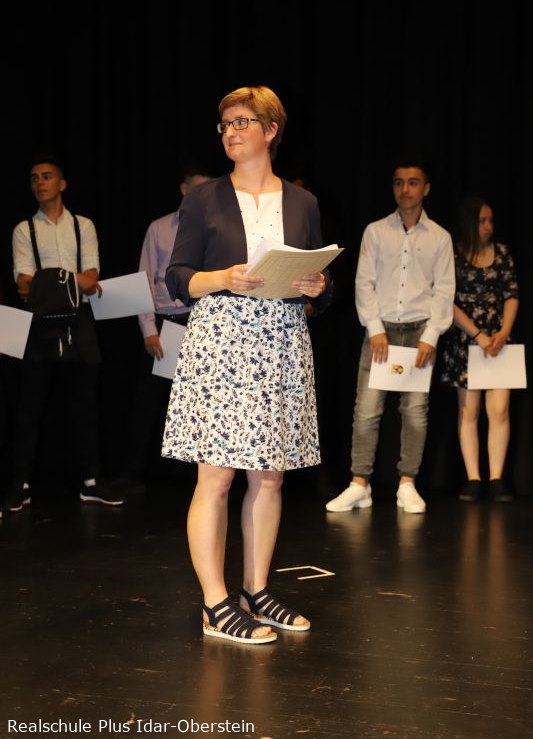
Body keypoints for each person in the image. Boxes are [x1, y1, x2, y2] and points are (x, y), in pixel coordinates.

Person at [162, 85, 332, 644]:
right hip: (223, 342)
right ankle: (215, 604)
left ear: (271, 130)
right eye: (226, 124)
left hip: (282, 342)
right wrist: (223, 278)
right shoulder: (204, 198)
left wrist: (318, 286)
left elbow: (320, 283)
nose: (231, 132)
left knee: (270, 474)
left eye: (243, 122)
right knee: (215, 476)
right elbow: (177, 277)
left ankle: (254, 592)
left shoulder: (302, 203)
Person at [326, 155, 455, 514]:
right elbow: (364, 282)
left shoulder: (440, 237)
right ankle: (359, 484)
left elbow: (444, 289)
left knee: (414, 411)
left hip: (418, 332)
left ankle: (407, 483)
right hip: (380, 333)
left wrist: (431, 335)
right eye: (399, 182)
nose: (405, 189)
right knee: (367, 410)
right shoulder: (376, 231)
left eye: (413, 182)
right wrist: (375, 329)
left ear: (426, 189)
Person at [1, 153, 124, 513]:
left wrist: (50, 281)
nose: (39, 182)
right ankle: (20, 483)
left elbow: (92, 279)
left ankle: (91, 482)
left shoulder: (83, 226)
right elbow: (24, 284)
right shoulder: (24, 230)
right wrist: (70, 280)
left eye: (46, 176)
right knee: (29, 407)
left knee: (85, 405)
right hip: (37, 322)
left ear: (62, 183)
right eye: (34, 178)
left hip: (78, 321)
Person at [115, 167, 214, 493]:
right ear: (184, 189)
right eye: (198, 189)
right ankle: (132, 473)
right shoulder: (159, 228)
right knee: (147, 402)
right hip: (165, 321)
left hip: (200, 321)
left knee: (200, 404)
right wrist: (148, 329)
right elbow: (144, 278)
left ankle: (198, 479)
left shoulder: (214, 229)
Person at [441, 195, 519, 503]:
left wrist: (503, 332)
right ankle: (473, 478)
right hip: (467, 340)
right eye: (482, 220)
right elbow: (446, 300)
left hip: (498, 341)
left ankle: (496, 478)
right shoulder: (454, 255)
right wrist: (477, 334)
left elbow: (511, 294)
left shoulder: (502, 253)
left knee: (499, 410)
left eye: (490, 220)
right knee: (469, 410)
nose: (488, 226)